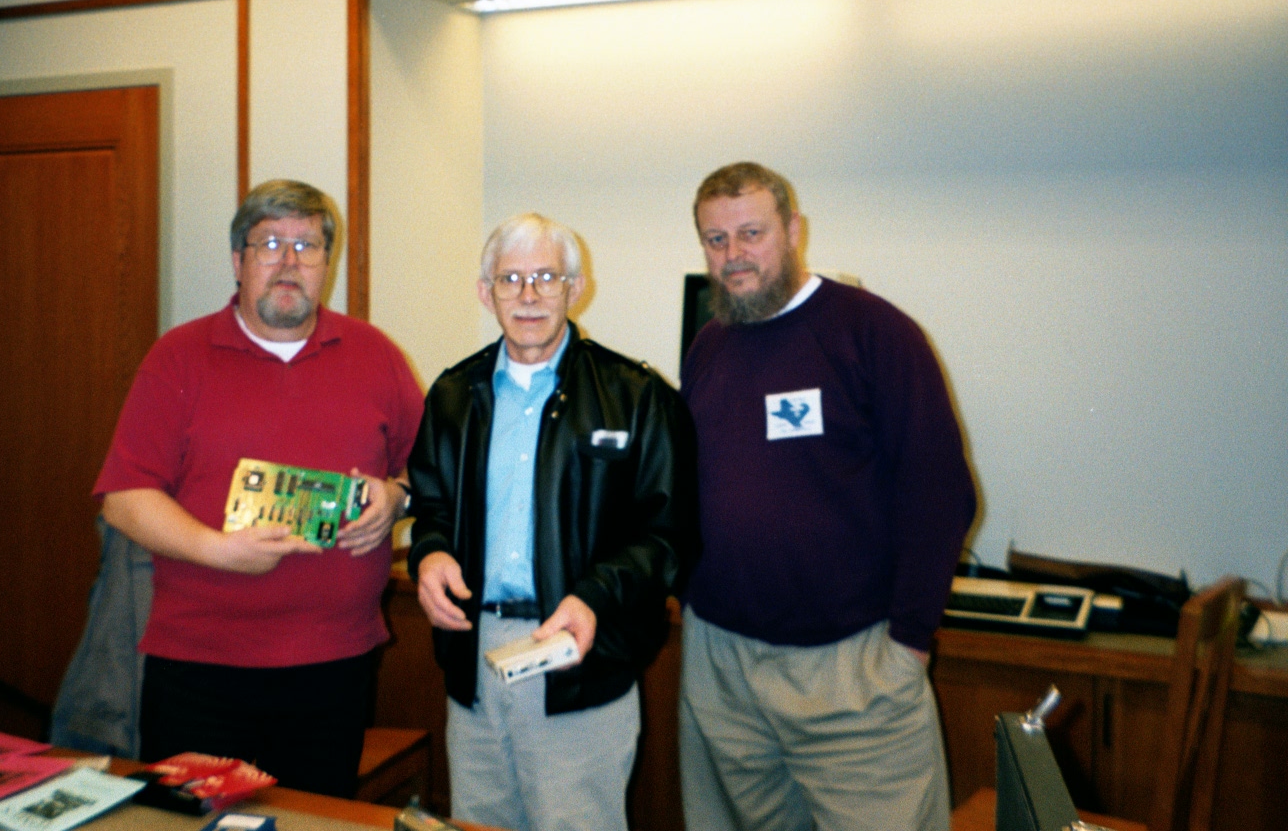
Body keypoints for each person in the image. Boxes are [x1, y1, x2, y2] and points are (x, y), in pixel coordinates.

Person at [94, 179, 424, 798]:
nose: (289, 261)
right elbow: (124, 497)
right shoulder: (178, 357)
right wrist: (220, 550)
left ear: (327, 263)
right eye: (270, 243)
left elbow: (427, 471)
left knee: (313, 823)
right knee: (195, 823)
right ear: (238, 260)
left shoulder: (376, 355)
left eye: (307, 245)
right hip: (200, 669)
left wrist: (395, 497)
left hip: (335, 666)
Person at [678, 162, 977, 831]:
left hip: (851, 674)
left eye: (751, 233)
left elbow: (941, 493)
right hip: (723, 669)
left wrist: (909, 643)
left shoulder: (872, 333)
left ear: (793, 229)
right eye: (716, 240)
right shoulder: (709, 347)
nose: (733, 255)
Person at [407, 213, 697, 831]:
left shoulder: (636, 395)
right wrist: (429, 552)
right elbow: (432, 506)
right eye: (510, 279)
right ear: (485, 292)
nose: (529, 295)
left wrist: (595, 596)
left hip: (579, 655)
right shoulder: (453, 395)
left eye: (546, 277)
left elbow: (669, 536)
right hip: (475, 654)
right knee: (479, 824)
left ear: (576, 287)